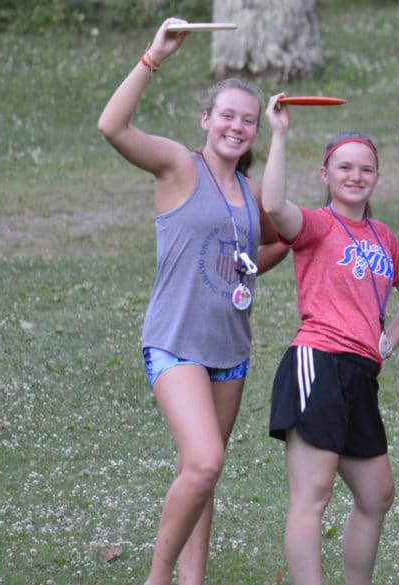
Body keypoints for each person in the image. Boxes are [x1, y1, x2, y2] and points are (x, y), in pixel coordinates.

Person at [97, 18, 288, 585]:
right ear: (206, 121)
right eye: (226, 115)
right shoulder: (180, 166)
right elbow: (112, 126)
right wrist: (154, 56)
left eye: (246, 120)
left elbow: (278, 240)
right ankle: (159, 579)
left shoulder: (251, 195)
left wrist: (246, 267)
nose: (236, 126)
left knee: (200, 472)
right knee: (205, 461)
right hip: (175, 341)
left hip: (231, 350)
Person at [261, 92, 399, 585]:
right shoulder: (316, 225)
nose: (355, 176)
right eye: (344, 167)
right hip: (319, 362)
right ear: (326, 175)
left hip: (361, 373)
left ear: (376, 177)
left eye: (366, 169)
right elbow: (272, 204)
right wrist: (280, 133)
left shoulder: (384, 237)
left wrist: (389, 342)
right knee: (312, 497)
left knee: (377, 495)